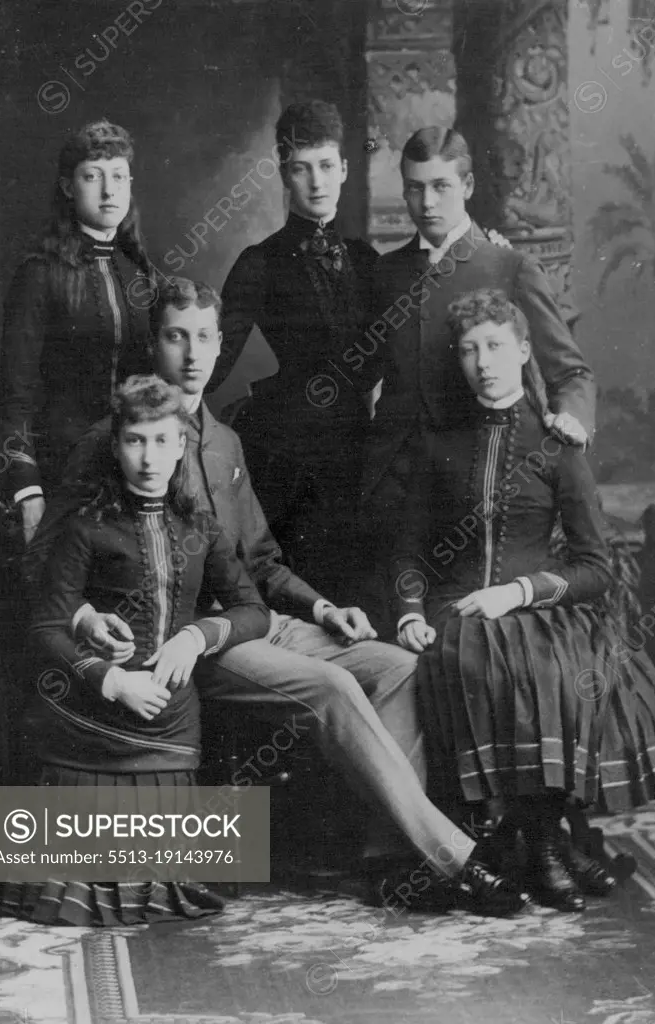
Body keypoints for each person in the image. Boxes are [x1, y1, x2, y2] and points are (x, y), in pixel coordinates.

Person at [28, 277, 529, 917]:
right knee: (333, 688)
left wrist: (322, 608)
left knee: (399, 666)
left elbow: (259, 560)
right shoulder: (114, 439)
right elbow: (48, 557)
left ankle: (392, 859)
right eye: (176, 336)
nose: (192, 354)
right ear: (154, 344)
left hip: (254, 617)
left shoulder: (225, 442)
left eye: (205, 337)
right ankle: (452, 856)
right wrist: (87, 613)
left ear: (221, 345)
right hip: (187, 636)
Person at [393, 288, 655, 912]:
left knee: (561, 669)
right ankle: (538, 843)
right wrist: (408, 611)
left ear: (521, 351)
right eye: (469, 350)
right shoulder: (438, 444)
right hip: (457, 609)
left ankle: (538, 839)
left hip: (537, 607)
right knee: (481, 661)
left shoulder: (557, 447)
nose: (483, 362)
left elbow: (595, 566)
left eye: (494, 346)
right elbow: (405, 551)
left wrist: (519, 591)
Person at [0, 375, 270, 926]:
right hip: (90, 721)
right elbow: (47, 625)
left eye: (162, 441)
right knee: (55, 887)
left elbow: (253, 612)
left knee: (168, 886)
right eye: (135, 441)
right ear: (116, 443)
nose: (149, 457)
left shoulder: (202, 528)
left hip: (168, 727)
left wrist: (197, 636)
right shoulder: (86, 527)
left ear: (180, 446)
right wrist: (110, 679)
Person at [358, 126, 597, 575]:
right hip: (389, 488)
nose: (426, 203)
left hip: (472, 491)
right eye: (414, 188)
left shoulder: (509, 267)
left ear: (466, 187)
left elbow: (571, 373)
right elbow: (363, 373)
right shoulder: (386, 273)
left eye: (440, 187)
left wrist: (571, 420)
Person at [207, 100, 378, 601]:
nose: (317, 182)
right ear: (284, 174)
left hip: (358, 450)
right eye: (302, 169)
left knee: (358, 590)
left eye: (327, 166)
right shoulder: (260, 262)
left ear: (344, 169)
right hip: (288, 456)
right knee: (304, 590)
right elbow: (213, 360)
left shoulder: (367, 262)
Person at [0, 119, 152, 545]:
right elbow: (14, 396)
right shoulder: (40, 274)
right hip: (61, 473)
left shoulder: (139, 273)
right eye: (92, 176)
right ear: (67, 186)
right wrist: (27, 489)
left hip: (135, 472)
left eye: (119, 176)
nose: (109, 190)